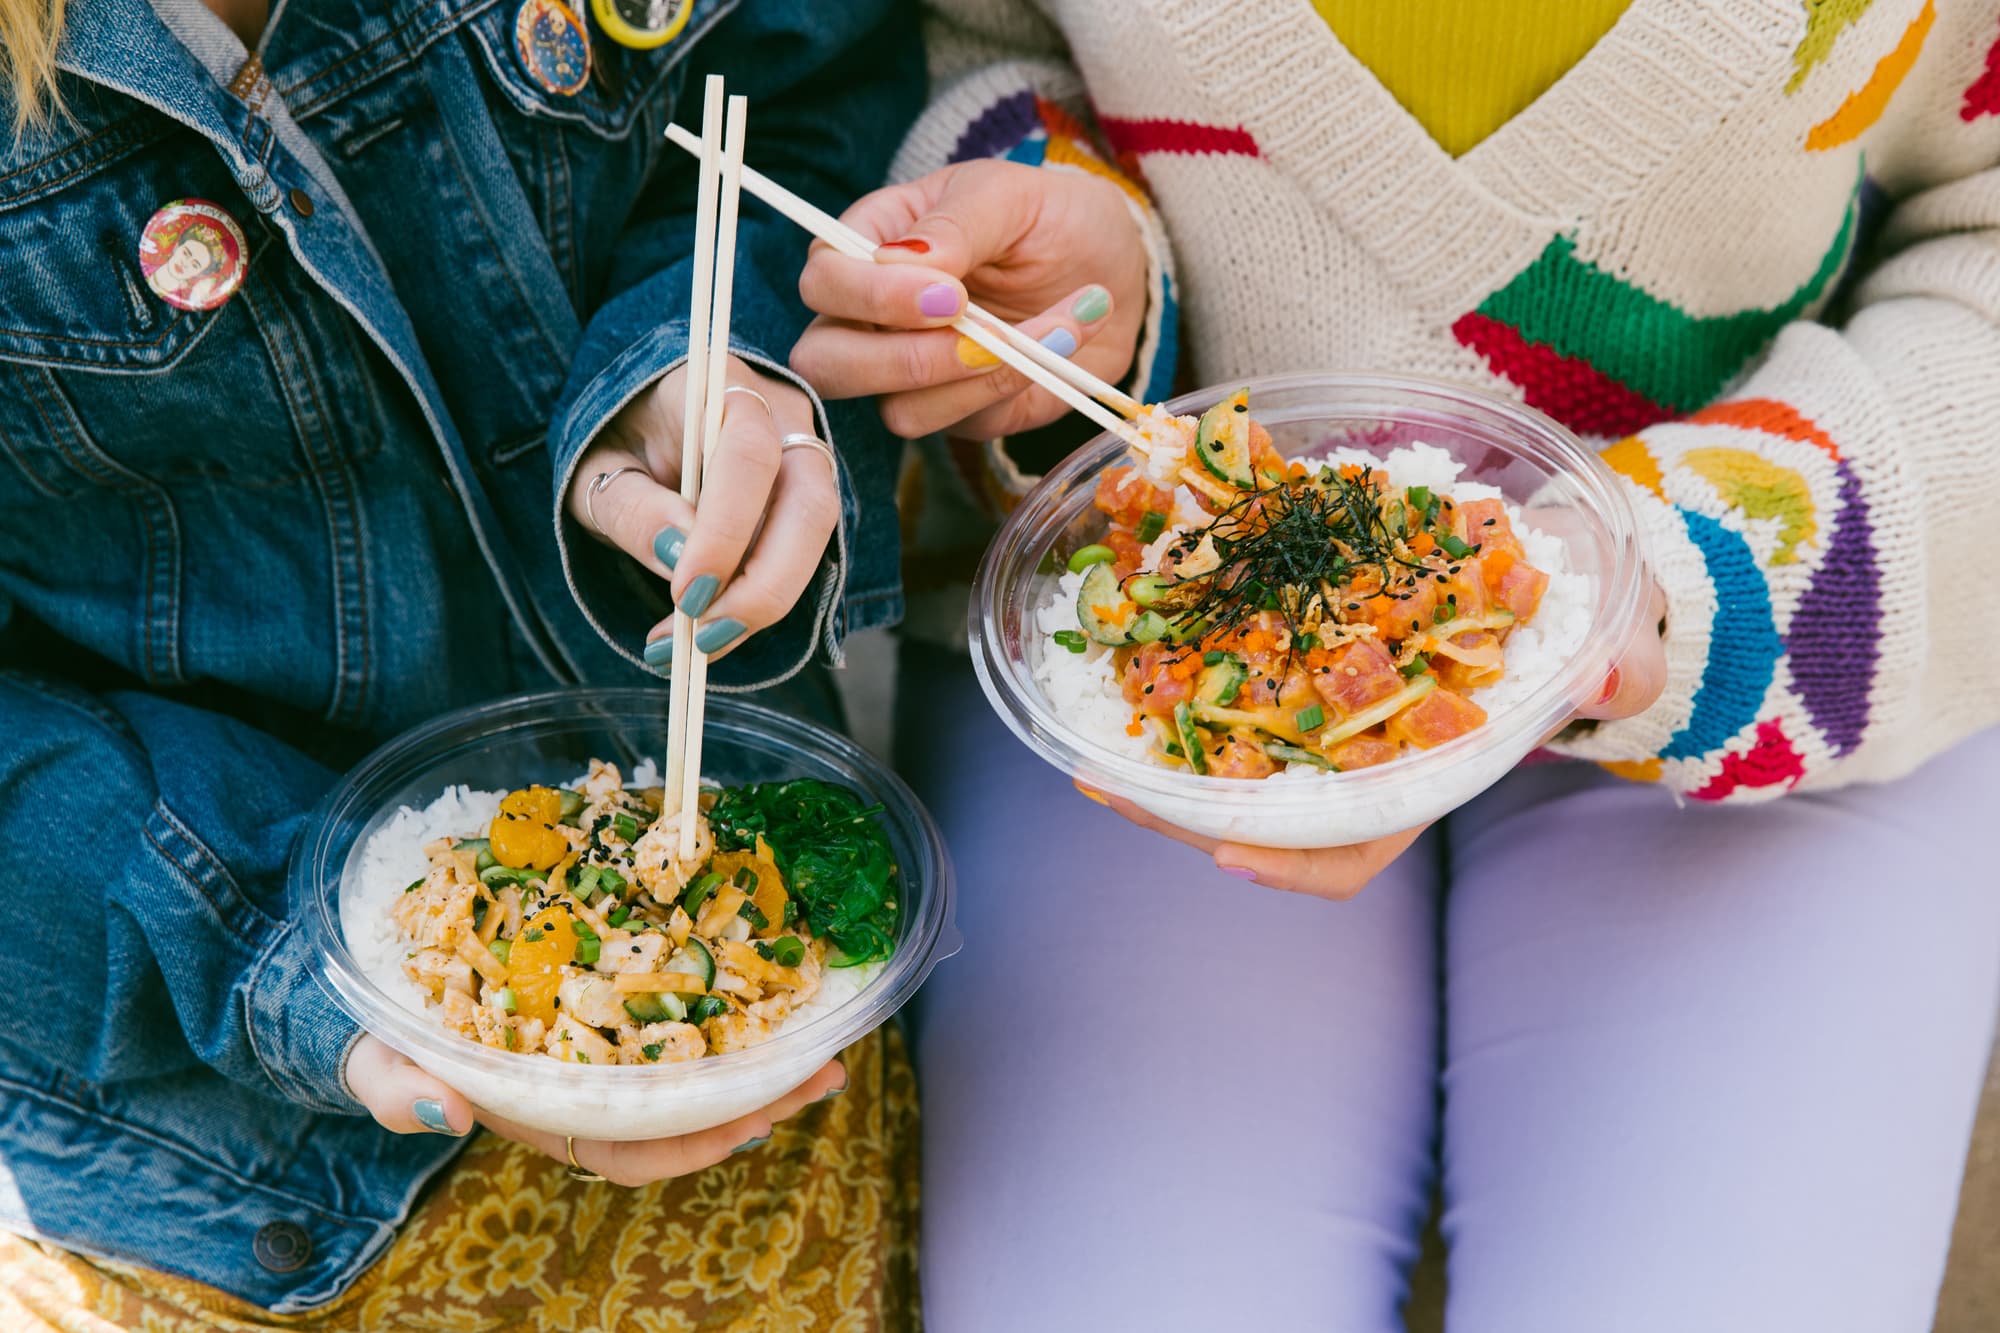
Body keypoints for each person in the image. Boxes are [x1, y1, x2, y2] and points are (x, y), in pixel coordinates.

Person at [792, 1, 2000, 1328]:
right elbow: (967, 42)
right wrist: (1076, 275)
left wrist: (1663, 574)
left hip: (1794, 632)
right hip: (1133, 675)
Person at [0, 0, 923, 1324]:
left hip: (759, 964)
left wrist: (697, 355)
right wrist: (273, 952)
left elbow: (798, 94)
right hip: (197, 1137)